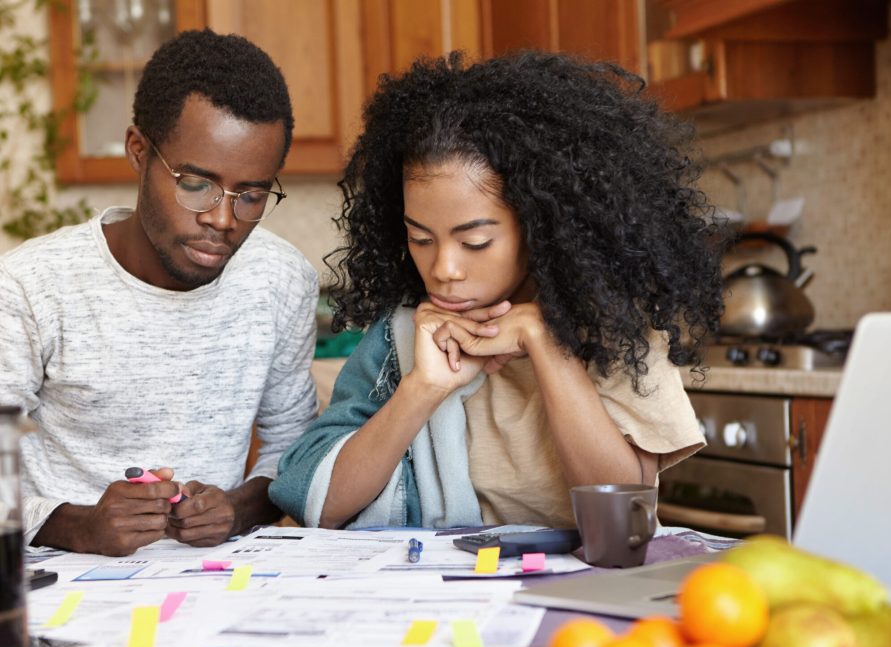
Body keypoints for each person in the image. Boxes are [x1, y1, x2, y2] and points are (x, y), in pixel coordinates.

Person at [269, 51, 723, 531]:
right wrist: (422, 389)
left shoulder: (617, 332)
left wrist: (544, 342)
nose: (443, 268)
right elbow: (316, 502)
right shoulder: (403, 336)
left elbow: (622, 523)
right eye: (420, 238)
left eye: (475, 242)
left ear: (538, 225)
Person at [0, 30, 319, 555]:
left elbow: (294, 446)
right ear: (139, 152)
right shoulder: (32, 285)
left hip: (214, 586)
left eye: (252, 194)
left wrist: (238, 509)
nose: (222, 219)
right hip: (61, 591)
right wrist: (76, 525)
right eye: (196, 184)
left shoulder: (282, 278)